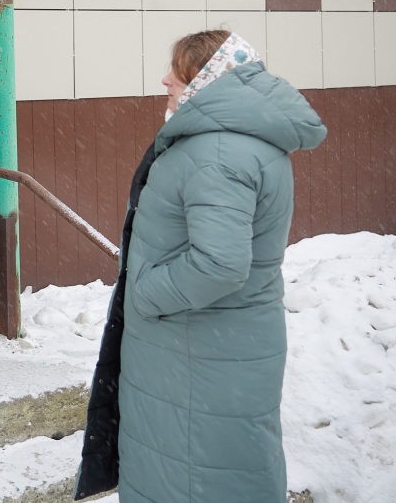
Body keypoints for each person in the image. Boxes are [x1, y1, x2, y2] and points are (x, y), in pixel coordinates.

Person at [76, 30, 327, 501]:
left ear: (208, 79)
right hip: (208, 344)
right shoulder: (232, 141)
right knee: (214, 468)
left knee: (194, 475)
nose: (166, 79)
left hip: (197, 347)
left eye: (178, 71)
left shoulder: (217, 152)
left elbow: (220, 263)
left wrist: (144, 293)